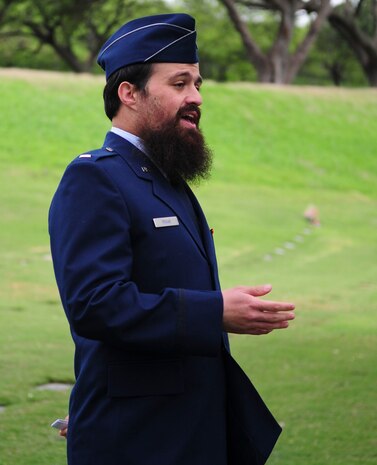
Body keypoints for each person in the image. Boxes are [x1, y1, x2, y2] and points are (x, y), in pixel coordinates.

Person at [49, 13, 295, 465]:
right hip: (140, 439)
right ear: (129, 93)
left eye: (198, 84)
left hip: (189, 430)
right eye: (179, 84)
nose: (196, 98)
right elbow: (94, 304)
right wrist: (215, 310)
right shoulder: (95, 177)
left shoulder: (167, 179)